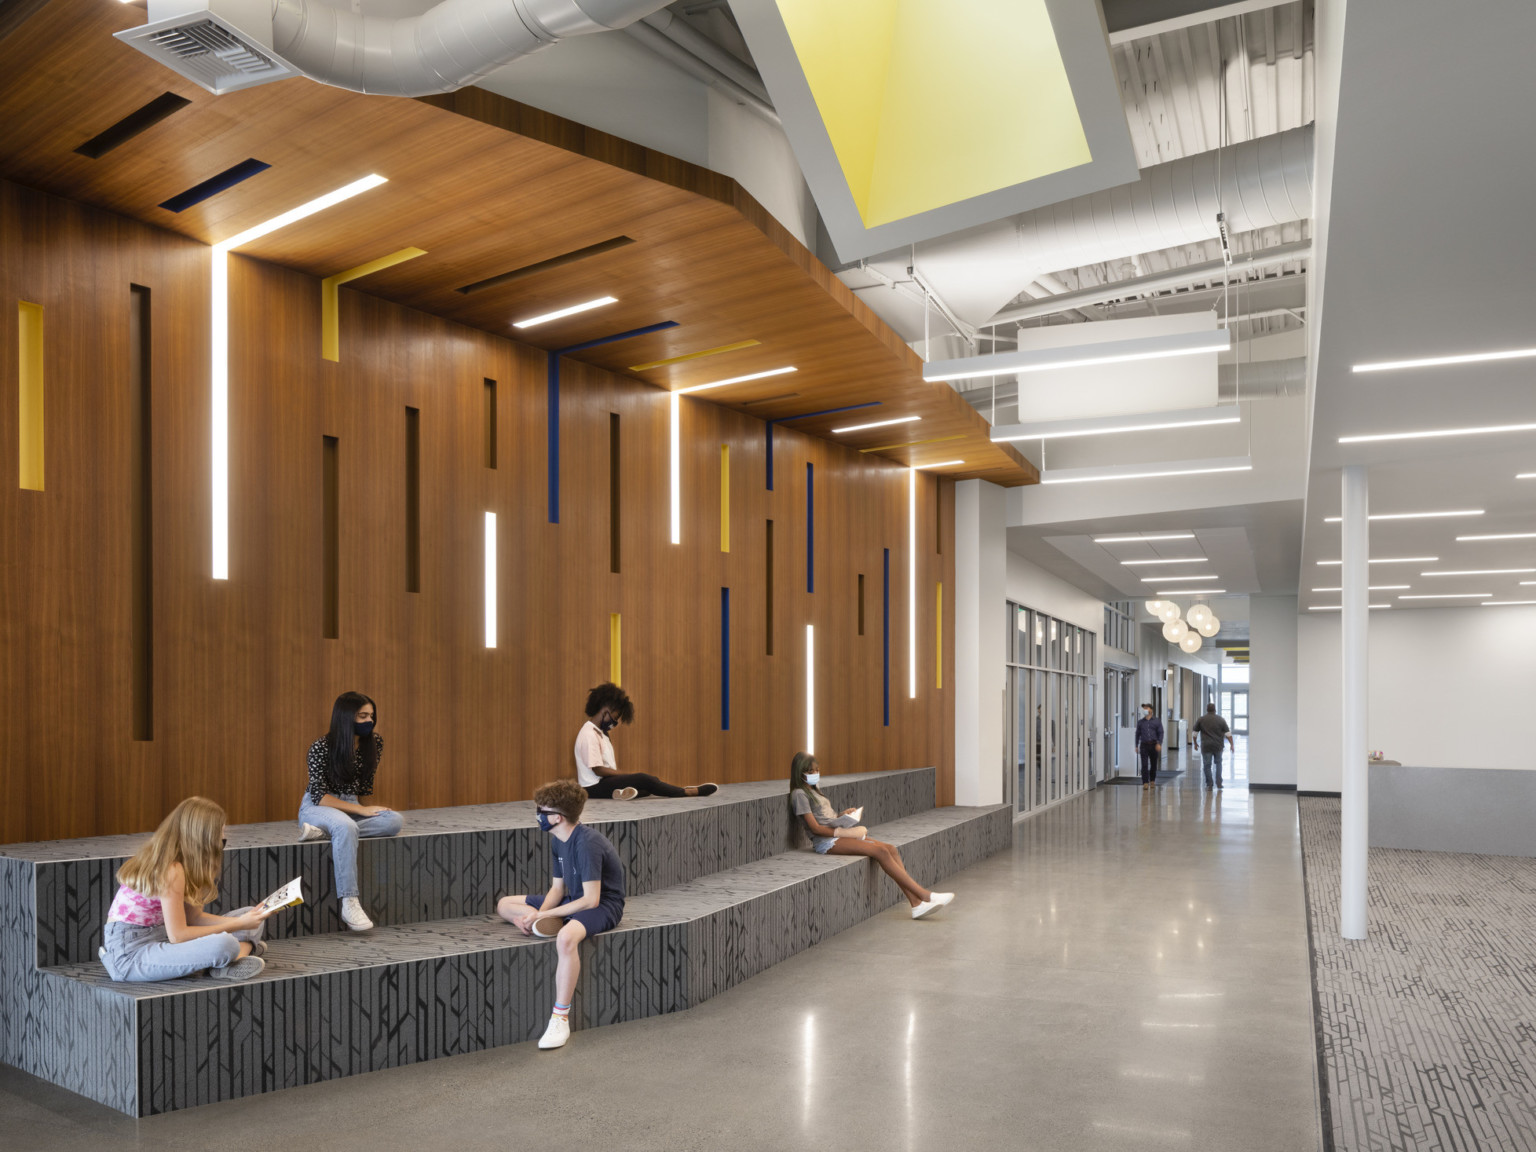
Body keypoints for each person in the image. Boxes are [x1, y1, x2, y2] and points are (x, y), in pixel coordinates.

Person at [495, 779, 626, 1050]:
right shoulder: (558, 840)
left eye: (541, 811)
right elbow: (557, 888)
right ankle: (545, 922)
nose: (537, 815)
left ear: (556, 817)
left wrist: (545, 916)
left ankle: (559, 1018)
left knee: (566, 937)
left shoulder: (587, 843)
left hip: (604, 906)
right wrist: (538, 917)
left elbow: (591, 900)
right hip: (573, 899)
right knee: (505, 904)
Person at [100, 796, 272, 983]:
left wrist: (246, 919)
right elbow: (179, 936)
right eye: (220, 840)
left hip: (161, 937)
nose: (222, 842)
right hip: (130, 955)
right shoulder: (171, 869)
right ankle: (236, 954)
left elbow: (194, 919)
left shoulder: (184, 865)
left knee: (251, 915)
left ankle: (230, 958)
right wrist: (239, 925)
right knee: (226, 943)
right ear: (202, 841)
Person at [788, 752, 953, 920]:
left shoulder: (815, 790)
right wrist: (842, 832)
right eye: (810, 771)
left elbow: (825, 818)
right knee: (880, 852)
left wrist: (842, 816)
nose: (815, 774)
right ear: (799, 773)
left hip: (837, 833)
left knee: (890, 849)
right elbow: (815, 828)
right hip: (826, 841)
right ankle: (925, 895)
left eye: (817, 770)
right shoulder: (799, 794)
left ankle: (916, 904)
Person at [297, 691, 404, 931]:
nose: (369, 721)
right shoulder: (321, 747)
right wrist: (360, 810)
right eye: (362, 715)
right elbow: (320, 797)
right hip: (318, 806)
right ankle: (349, 901)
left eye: (371, 716)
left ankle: (324, 832)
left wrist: (360, 809)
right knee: (345, 825)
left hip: (349, 806)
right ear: (346, 717)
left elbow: (362, 786)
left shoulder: (375, 743)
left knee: (393, 821)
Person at [575, 682, 718, 800]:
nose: (615, 722)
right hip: (592, 788)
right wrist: (626, 775)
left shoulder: (601, 733)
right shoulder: (589, 733)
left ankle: (617, 794)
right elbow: (598, 769)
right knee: (645, 779)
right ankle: (686, 792)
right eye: (615, 717)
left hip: (603, 784)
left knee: (648, 784)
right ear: (605, 710)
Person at [1193, 702, 1235, 789]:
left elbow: (1194, 733)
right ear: (1215, 709)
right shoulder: (1221, 719)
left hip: (1206, 746)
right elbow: (1228, 734)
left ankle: (1209, 784)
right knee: (1218, 763)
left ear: (1207, 709)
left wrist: (1195, 743)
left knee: (1207, 765)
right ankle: (1219, 783)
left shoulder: (1201, 719)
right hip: (1218, 746)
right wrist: (1232, 745)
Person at [1135, 703, 1164, 789]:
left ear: (1151, 710)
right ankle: (1145, 782)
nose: (1145, 710)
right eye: (1144, 708)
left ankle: (1152, 780)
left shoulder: (1157, 721)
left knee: (1153, 764)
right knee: (1144, 764)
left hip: (1154, 745)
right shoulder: (1140, 722)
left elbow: (1161, 733)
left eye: (1146, 708)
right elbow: (1137, 734)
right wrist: (1136, 745)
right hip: (1144, 745)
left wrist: (1159, 743)